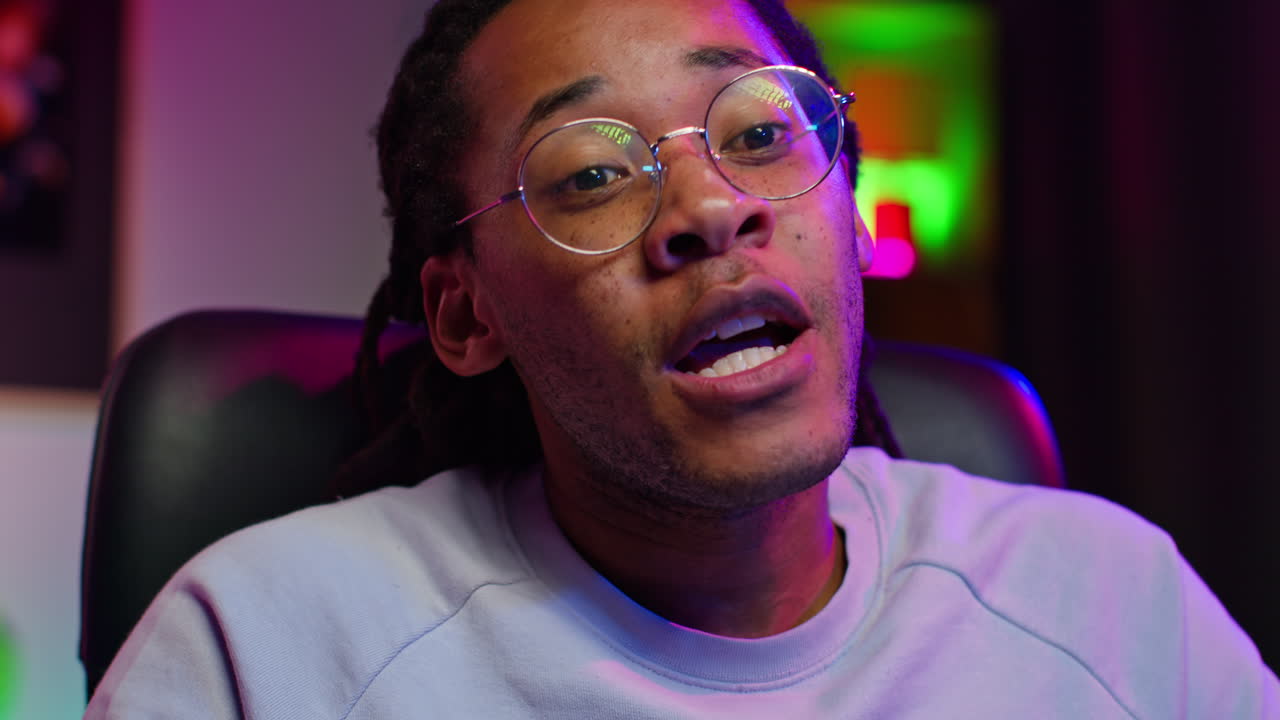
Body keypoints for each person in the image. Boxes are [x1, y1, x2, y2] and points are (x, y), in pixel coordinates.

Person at [86, 0, 1278, 717]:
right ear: (463, 317)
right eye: (593, 173)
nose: (712, 206)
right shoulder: (266, 647)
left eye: (761, 132)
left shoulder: (1111, 607)